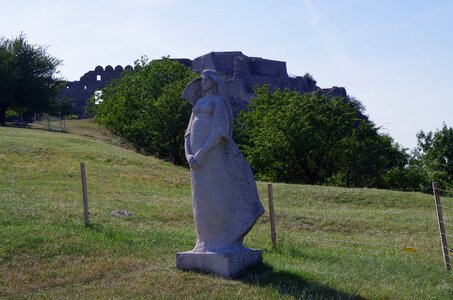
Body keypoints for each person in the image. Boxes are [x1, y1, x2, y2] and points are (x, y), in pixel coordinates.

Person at [183, 69, 264, 253]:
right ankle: (202, 241)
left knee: (216, 194)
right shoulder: (198, 103)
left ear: (213, 82)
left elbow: (219, 132)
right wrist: (189, 155)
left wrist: (201, 154)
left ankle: (221, 240)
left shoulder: (219, 102)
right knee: (200, 198)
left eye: (205, 79)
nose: (202, 82)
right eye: (202, 80)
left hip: (212, 156)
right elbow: (187, 133)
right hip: (196, 161)